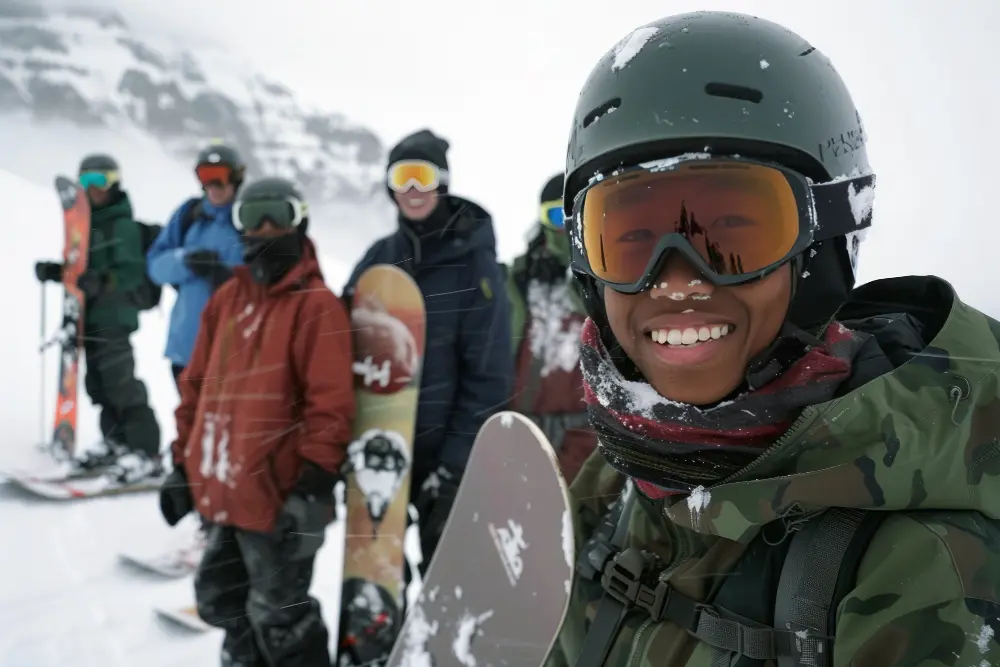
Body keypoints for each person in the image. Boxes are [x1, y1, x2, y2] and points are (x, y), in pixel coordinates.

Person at [546, 11, 1000, 667]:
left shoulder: (927, 563)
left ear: (825, 243)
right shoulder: (616, 484)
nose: (677, 280)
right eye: (631, 237)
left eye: (731, 233)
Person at [158, 176, 355, 667]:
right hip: (225, 492)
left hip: (277, 500)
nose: (265, 229)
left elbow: (329, 406)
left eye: (278, 216)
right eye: (253, 218)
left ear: (299, 222)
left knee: (280, 618)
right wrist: (182, 464)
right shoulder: (227, 299)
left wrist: (312, 487)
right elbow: (196, 388)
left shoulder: (316, 306)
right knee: (219, 601)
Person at [343, 128, 512, 573]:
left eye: (423, 176)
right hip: (385, 446)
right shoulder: (379, 257)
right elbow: (345, 347)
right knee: (377, 574)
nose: (413, 190)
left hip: (446, 454)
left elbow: (489, 373)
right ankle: (378, 637)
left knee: (447, 572)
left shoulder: (475, 264)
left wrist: (454, 468)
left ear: (442, 181)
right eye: (403, 178)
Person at [34, 154, 161, 482]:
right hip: (88, 318)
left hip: (115, 317)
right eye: (86, 182)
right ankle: (117, 443)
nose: (93, 189)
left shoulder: (123, 226)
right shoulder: (86, 227)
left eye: (100, 181)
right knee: (99, 387)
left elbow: (132, 274)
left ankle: (146, 452)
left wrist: (103, 282)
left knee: (121, 385)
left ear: (114, 184)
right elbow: (80, 271)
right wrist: (57, 272)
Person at [505, 173, 596, 484]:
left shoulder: (607, 281)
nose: (565, 228)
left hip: (587, 444)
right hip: (516, 439)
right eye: (555, 216)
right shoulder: (520, 278)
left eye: (573, 215)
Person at [146, 142, 246, 392]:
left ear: (236, 177)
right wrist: (187, 261)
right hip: (186, 351)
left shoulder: (250, 220)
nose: (212, 185)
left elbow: (267, 283)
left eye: (219, 176)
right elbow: (155, 267)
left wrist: (229, 280)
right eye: (204, 176)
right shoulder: (190, 215)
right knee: (190, 428)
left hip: (233, 354)